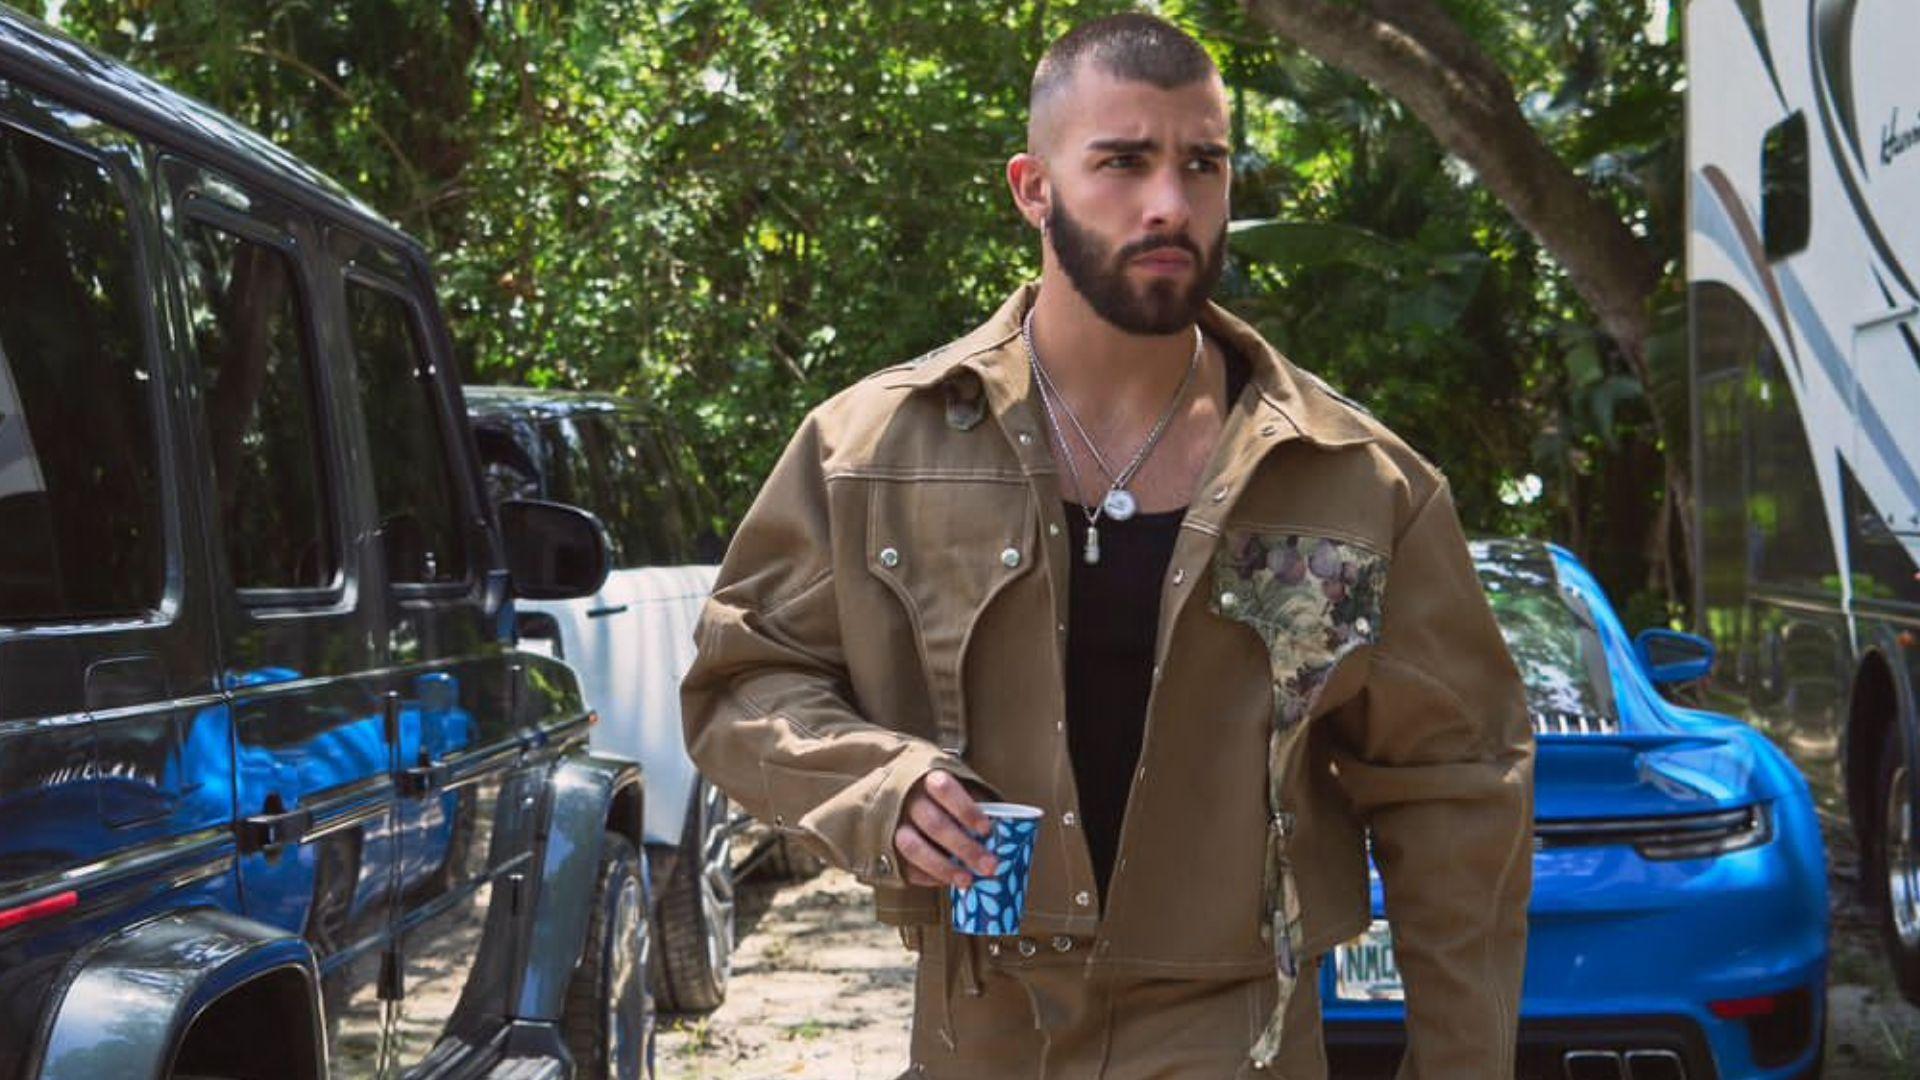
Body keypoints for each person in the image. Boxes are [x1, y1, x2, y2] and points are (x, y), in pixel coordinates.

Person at [681, 12, 1533, 1078]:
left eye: (1202, 164)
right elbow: (742, 681)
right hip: (980, 1030)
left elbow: (1459, 789)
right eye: (1124, 162)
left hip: (1239, 1038)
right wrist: (877, 787)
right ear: (1034, 189)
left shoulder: (1357, 482)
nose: (1170, 202)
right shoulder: (872, 453)